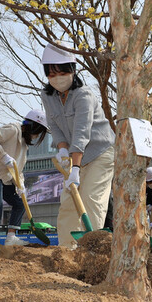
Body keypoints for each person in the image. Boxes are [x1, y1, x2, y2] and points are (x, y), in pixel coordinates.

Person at [40, 42, 115, 248]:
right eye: (52, 73)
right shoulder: (47, 96)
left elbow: (82, 134)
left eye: (62, 71)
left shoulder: (84, 96)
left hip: (100, 153)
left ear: (72, 70)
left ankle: (91, 250)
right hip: (74, 156)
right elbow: (55, 126)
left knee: (91, 200)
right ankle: (67, 251)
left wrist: (74, 168)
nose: (57, 78)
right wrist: (62, 149)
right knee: (68, 205)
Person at [0, 110, 48, 245]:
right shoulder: (12, 129)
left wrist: (21, 185)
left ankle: (11, 238)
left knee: (19, 203)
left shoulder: (24, 146)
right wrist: (3, 155)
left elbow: (18, 169)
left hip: (3, 178)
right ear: (33, 127)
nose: (36, 137)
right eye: (38, 132)